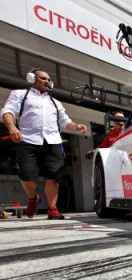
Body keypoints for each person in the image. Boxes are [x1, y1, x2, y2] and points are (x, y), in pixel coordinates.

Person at [1, 69, 88, 219]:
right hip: (28, 139)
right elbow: (8, 112)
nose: (47, 81)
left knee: (54, 176)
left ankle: (52, 209)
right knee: (26, 175)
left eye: (49, 79)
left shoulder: (55, 102)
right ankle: (33, 198)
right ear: (32, 78)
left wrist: (76, 126)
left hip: (53, 141)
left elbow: (65, 122)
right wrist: (12, 127)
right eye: (43, 78)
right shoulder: (20, 95)